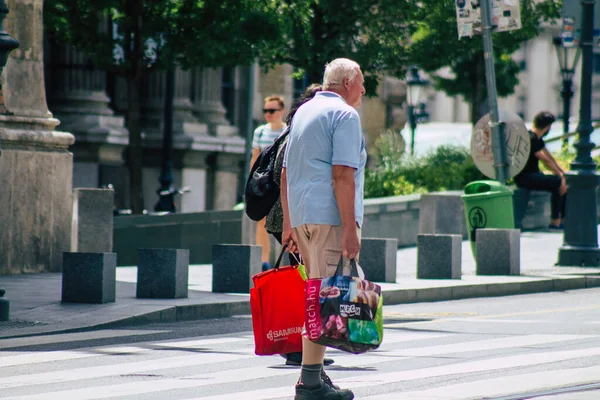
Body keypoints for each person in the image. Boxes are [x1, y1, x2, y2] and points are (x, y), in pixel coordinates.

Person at [282, 58, 366, 400]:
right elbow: (342, 174)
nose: (363, 89)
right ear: (346, 83)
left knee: (317, 296)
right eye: (361, 82)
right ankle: (310, 385)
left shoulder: (303, 111)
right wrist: (350, 228)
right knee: (325, 301)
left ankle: (314, 378)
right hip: (329, 217)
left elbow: (286, 171)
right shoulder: (345, 115)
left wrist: (289, 224)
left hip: (302, 216)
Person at [264, 84, 334, 369]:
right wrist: (289, 227)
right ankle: (298, 347)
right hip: (289, 219)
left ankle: (302, 346)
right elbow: (284, 177)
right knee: (304, 286)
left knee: (304, 284)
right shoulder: (296, 135)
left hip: (292, 219)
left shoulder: (298, 131)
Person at [250, 95, 287, 270]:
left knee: (282, 220)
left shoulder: (287, 131)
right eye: (265, 111)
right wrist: (252, 184)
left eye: (272, 111)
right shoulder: (260, 132)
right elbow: (255, 159)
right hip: (264, 183)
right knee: (261, 220)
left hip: (281, 182)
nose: (268, 114)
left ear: (281, 112)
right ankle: (264, 261)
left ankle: (282, 260)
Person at [514, 111, 567, 230]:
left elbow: (550, 158)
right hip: (525, 178)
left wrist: (563, 173)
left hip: (530, 176)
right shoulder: (531, 139)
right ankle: (557, 222)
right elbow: (545, 161)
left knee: (557, 184)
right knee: (558, 183)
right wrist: (561, 177)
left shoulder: (536, 138)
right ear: (547, 127)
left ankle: (557, 221)